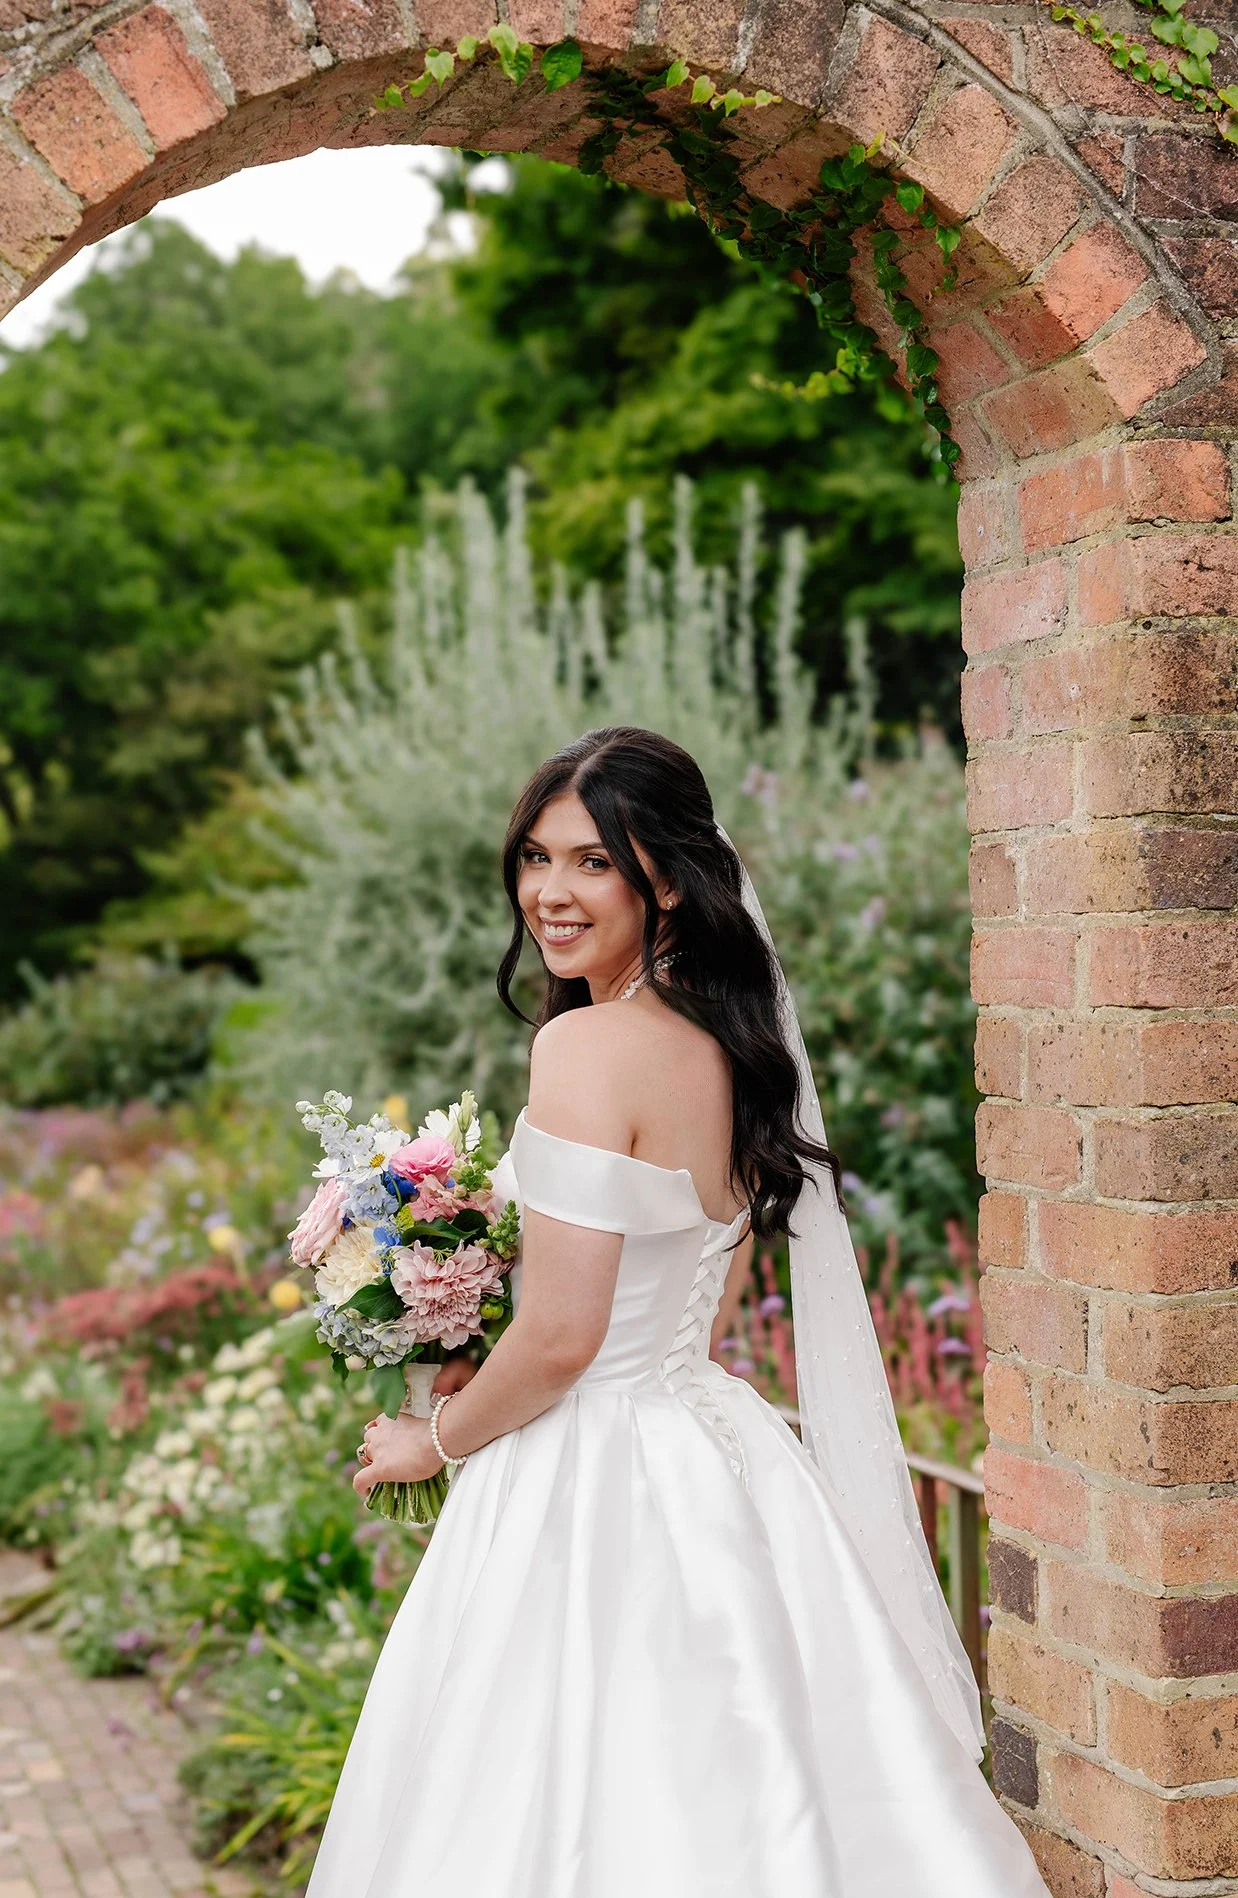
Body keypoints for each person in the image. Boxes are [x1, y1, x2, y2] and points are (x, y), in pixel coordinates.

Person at [306, 726, 1051, 1898]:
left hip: (587, 1464)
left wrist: (431, 1437)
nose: (550, 892)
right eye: (535, 856)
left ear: (662, 880)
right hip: (706, 1439)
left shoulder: (584, 1046)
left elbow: (565, 1339)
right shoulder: (729, 1050)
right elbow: (698, 1298)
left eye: (592, 861)